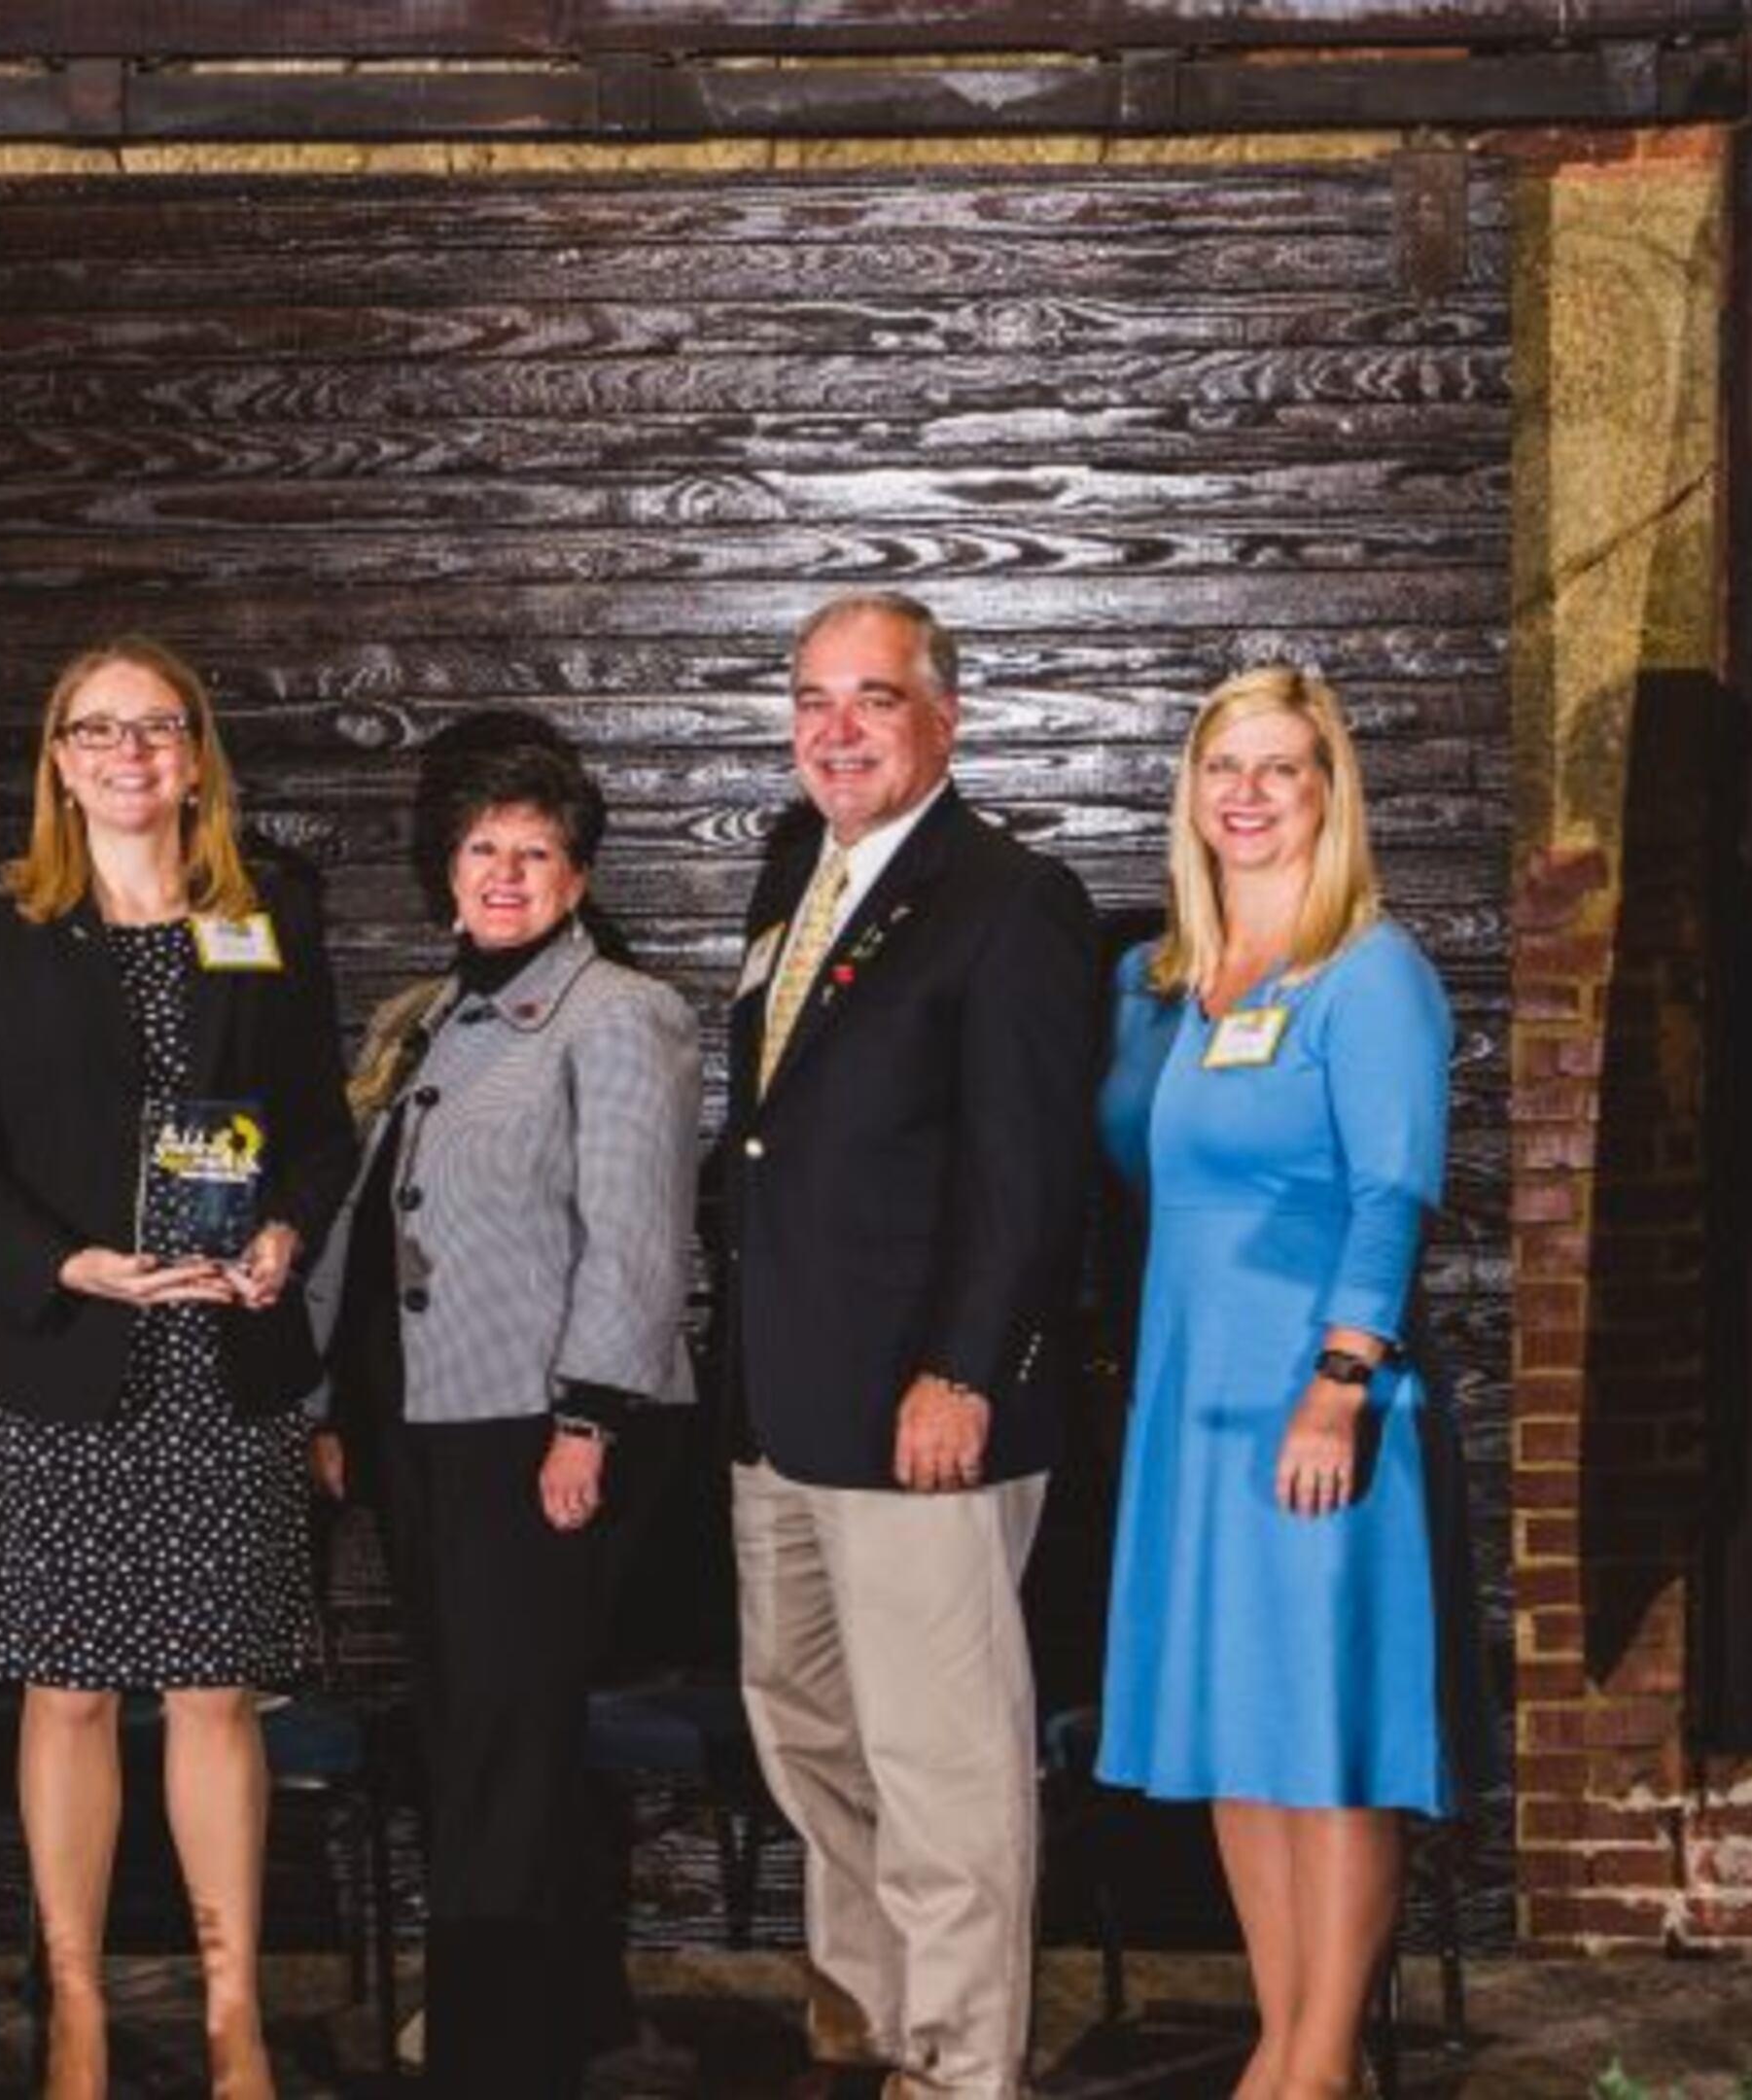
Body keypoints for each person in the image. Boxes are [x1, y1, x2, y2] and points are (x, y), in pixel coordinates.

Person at [0, 636, 359, 2100]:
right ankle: (80, 2010)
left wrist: (287, 1226)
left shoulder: (268, 907)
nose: (128, 755)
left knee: (219, 1691)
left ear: (196, 753)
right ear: (57, 759)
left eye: (157, 729)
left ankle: (235, 2016)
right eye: (97, 732)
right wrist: (62, 1263)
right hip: (63, 1356)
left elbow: (320, 1126)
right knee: (71, 1694)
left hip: (222, 1355)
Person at [698, 591, 1103, 2100]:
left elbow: (1028, 1172)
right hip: (782, 1411)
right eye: (814, 699)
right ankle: (867, 2031)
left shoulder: (1011, 901)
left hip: (921, 1412)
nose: (838, 729)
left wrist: (964, 1369)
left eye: (874, 698)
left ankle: (958, 2068)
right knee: (812, 1743)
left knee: (945, 1775)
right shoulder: (797, 877)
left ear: (946, 716)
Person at [304, 737, 700, 2094]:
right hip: (429, 1425)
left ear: (578, 874)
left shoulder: (619, 1012)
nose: (507, 874)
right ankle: (563, 2013)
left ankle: (493, 2046)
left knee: (506, 1742)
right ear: (447, 875)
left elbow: (638, 1242)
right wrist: (333, 1400)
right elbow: (375, 1230)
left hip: (540, 1429)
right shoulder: (431, 1017)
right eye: (483, 851)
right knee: (476, 1726)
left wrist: (585, 1421)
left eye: (536, 852)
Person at [1096, 667, 1454, 2100]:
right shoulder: (1169, 984)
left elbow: (1392, 1195)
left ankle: (1314, 2066)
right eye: (1220, 767)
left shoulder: (1370, 970)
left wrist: (1341, 1376)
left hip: (1318, 1404)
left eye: (1280, 769)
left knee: (1327, 1738)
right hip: (1194, 1405)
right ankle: (1284, 2033)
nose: (1246, 795)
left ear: (1329, 792)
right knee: (1241, 1734)